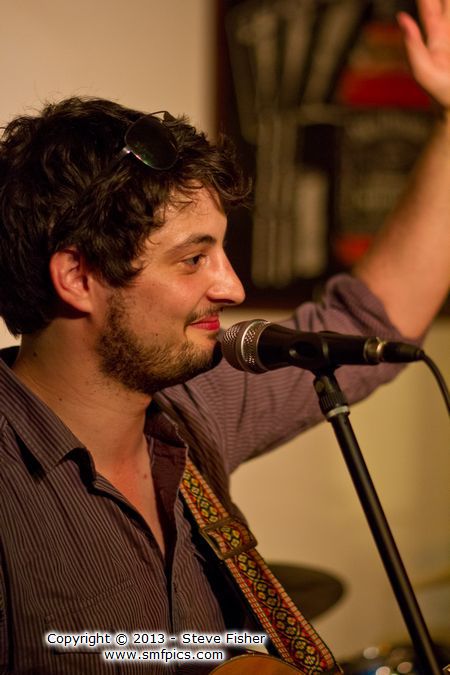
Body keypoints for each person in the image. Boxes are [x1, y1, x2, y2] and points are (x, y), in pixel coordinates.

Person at [0, 1, 449, 673]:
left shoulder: (191, 407)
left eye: (223, 253)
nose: (233, 288)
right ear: (78, 277)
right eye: (193, 259)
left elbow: (370, 320)